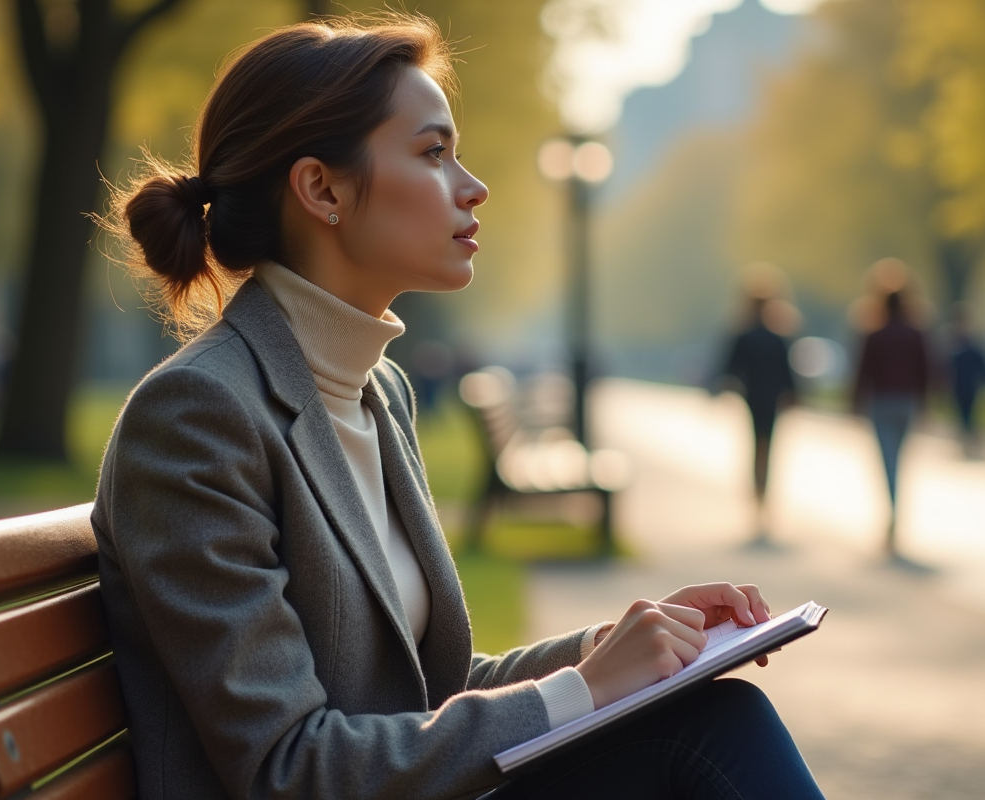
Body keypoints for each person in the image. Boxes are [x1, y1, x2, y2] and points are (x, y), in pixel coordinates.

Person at [92, 14, 825, 799]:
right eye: (433, 153)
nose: (473, 186)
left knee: (713, 714)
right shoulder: (198, 416)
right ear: (322, 189)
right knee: (712, 731)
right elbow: (289, 767)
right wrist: (587, 688)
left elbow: (428, 689)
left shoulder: (377, 391)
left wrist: (612, 650)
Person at [851, 290, 929, 558]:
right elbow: (926, 371)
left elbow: (863, 371)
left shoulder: (875, 334)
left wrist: (855, 402)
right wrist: (926, 403)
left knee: (889, 460)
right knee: (900, 458)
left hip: (882, 402)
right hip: (907, 403)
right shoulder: (915, 333)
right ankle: (895, 513)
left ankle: (892, 511)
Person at [718, 295, 796, 542]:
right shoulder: (777, 337)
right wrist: (792, 394)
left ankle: (757, 497)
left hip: (753, 398)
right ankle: (763, 497)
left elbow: (730, 368)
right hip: (771, 399)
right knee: (768, 447)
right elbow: (787, 373)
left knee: (756, 447)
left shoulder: (743, 336)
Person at [946, 304, 985, 456]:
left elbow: (980, 363)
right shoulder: (951, 340)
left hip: (969, 384)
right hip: (958, 384)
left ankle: (969, 440)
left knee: (968, 414)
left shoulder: (969, 342)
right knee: (963, 414)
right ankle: (968, 440)